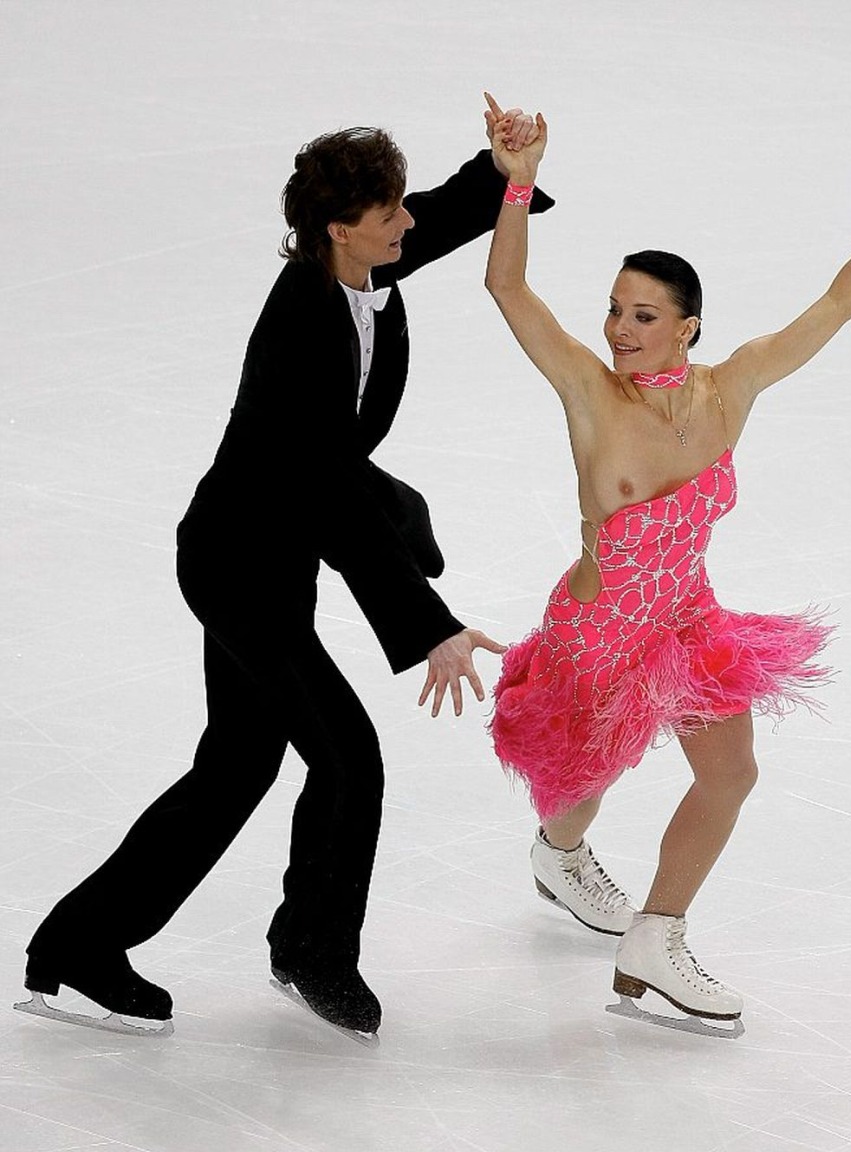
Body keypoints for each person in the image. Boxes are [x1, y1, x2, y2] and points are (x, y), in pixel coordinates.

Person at [17, 100, 554, 1039]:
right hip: (239, 565)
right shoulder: (303, 323)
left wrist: (506, 170)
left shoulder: (354, 264)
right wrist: (426, 622)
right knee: (350, 760)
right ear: (340, 231)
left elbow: (441, 210)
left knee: (236, 767)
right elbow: (334, 499)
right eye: (386, 214)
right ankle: (312, 951)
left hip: (273, 550)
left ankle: (78, 947)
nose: (405, 222)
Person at [483, 97, 851, 1021]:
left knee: (731, 772)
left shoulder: (730, 389)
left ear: (688, 326)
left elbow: (839, 304)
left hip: (686, 614)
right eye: (616, 310)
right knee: (585, 785)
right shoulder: (590, 393)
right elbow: (509, 291)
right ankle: (560, 853)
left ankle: (656, 939)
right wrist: (519, 182)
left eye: (645, 315)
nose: (621, 330)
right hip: (597, 631)